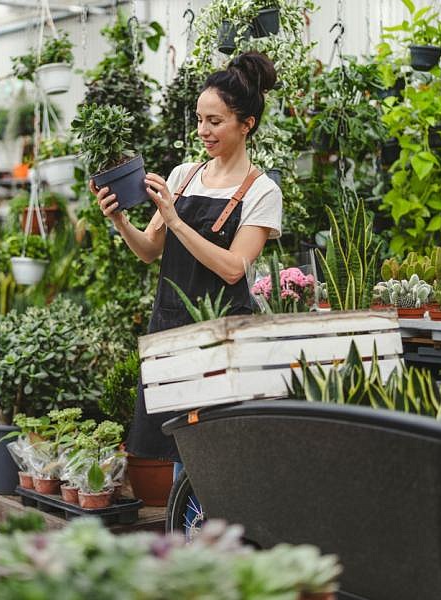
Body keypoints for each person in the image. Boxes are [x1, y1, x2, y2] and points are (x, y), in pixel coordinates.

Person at [91, 51, 282, 465]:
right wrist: (120, 219)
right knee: (177, 453)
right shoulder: (184, 175)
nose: (203, 131)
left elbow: (234, 269)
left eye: (215, 121)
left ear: (246, 124)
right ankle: (185, 529)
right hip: (172, 328)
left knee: (215, 456)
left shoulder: (262, 191)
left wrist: (175, 219)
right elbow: (149, 251)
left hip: (221, 338)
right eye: (199, 119)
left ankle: (206, 529)